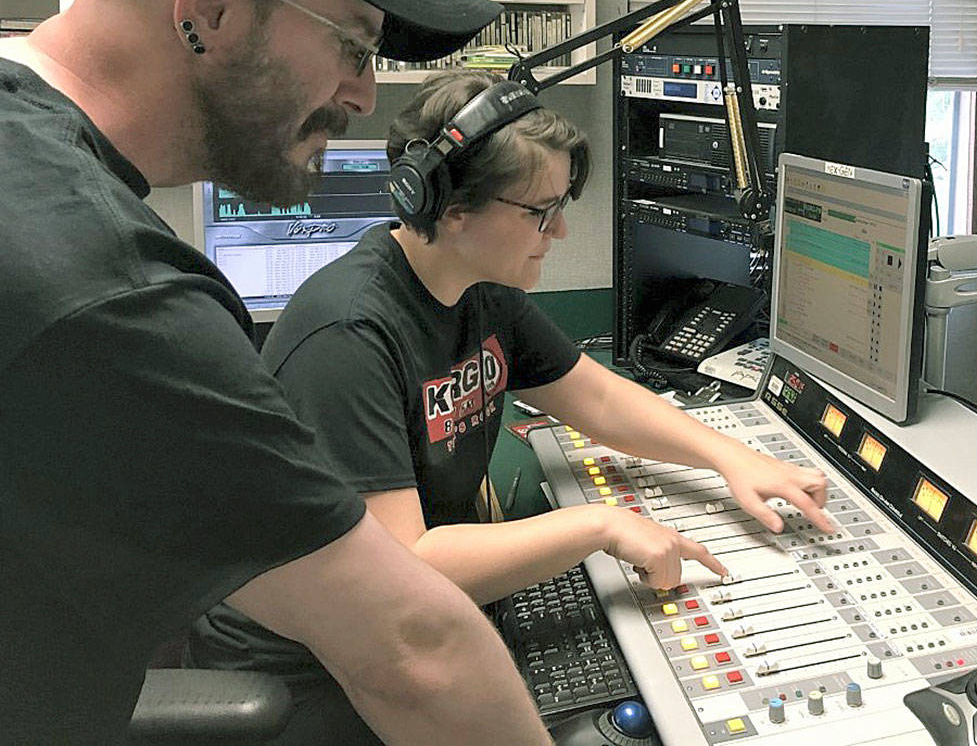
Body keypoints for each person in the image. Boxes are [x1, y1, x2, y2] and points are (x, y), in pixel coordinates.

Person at [0, 0, 555, 746]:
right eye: (353, 45)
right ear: (210, 7)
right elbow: (416, 649)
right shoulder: (105, 286)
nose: (366, 95)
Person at [187, 69, 835, 743]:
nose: (556, 230)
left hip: (409, 631)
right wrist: (600, 527)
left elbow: (598, 397)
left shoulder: (480, 290)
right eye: (538, 210)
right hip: (310, 672)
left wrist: (730, 458)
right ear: (450, 206)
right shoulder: (348, 335)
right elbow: (408, 564)